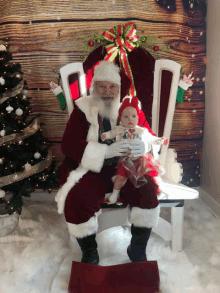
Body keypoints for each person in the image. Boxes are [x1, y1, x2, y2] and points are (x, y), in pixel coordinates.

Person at [55, 61, 164, 265]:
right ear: (94, 87)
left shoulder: (130, 108)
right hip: (90, 169)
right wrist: (105, 151)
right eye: (102, 86)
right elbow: (68, 144)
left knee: (147, 190)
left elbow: (148, 134)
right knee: (78, 197)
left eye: (112, 86)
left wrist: (146, 147)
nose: (107, 92)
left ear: (119, 89)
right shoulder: (83, 108)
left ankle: (137, 250)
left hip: (126, 167)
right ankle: (90, 253)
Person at [101, 96, 169, 205]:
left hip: (140, 158)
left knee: (149, 172)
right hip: (126, 159)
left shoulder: (141, 130)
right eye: (126, 117)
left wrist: (160, 141)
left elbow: (151, 139)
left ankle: (158, 186)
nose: (130, 119)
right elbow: (111, 134)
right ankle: (115, 192)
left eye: (133, 116)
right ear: (120, 118)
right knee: (120, 177)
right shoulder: (118, 129)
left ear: (138, 118)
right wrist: (105, 135)